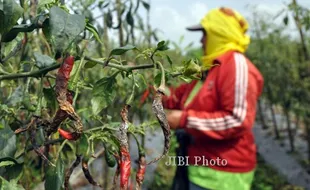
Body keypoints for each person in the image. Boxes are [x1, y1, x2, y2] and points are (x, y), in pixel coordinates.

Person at [163, 7, 264, 190]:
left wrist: (184, 120)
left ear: (219, 34)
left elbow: (237, 120)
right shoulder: (209, 70)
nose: (201, 41)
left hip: (223, 174)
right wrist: (152, 87)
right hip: (197, 165)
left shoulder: (235, 65)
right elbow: (178, 98)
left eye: (205, 34)